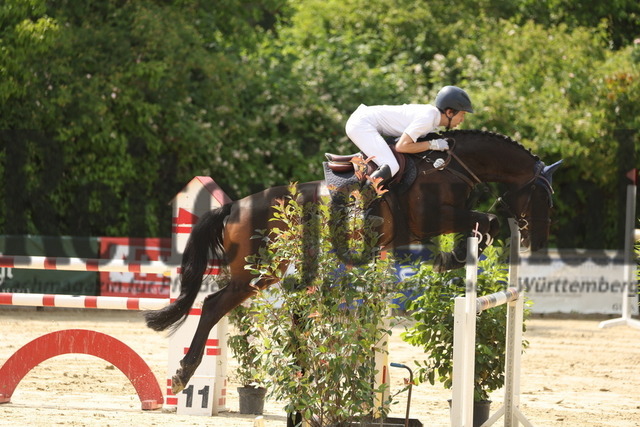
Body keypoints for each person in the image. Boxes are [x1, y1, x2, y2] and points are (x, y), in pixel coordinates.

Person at [344, 85, 474, 186]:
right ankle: (363, 202)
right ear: (450, 112)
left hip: (363, 121)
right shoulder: (428, 118)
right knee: (391, 165)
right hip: (361, 124)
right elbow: (402, 147)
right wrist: (432, 145)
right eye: (462, 114)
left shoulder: (432, 118)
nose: (462, 119)